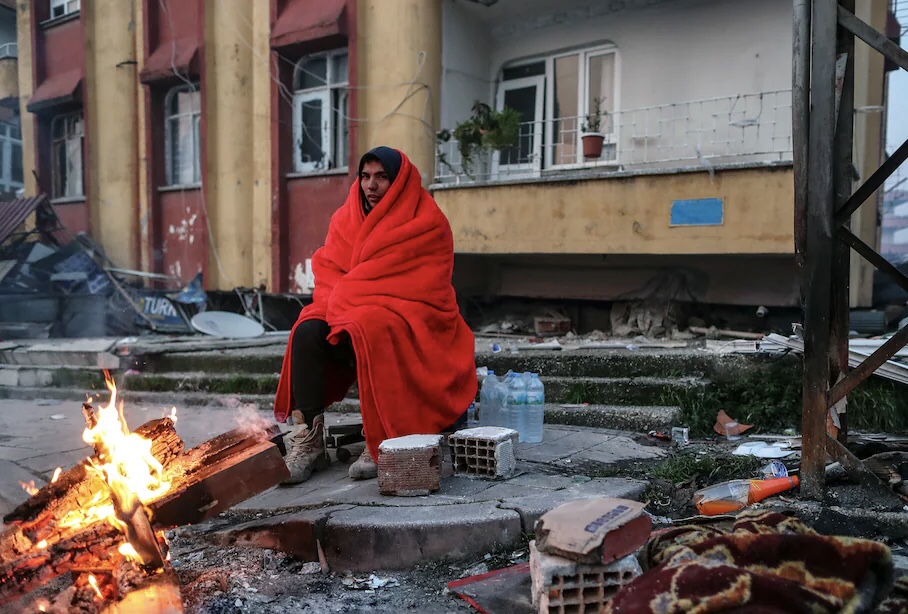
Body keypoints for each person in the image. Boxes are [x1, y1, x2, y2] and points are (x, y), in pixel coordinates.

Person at [273, 146, 478, 484]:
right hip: (347, 306)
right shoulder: (345, 217)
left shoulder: (427, 221)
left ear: (398, 181)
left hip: (409, 315)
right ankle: (310, 441)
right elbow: (330, 269)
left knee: (373, 325)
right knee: (307, 328)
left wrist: (358, 300)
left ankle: (381, 436)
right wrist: (349, 300)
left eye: (382, 177)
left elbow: (428, 284)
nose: (372, 185)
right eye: (366, 176)